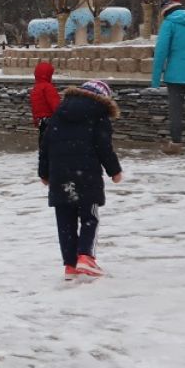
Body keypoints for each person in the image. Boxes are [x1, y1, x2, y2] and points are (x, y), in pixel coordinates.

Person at [38, 80, 123, 280]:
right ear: (103, 98)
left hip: (61, 177)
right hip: (87, 176)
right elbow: (104, 147)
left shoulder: (59, 113)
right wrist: (114, 171)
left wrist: (44, 173)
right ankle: (86, 257)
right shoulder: (99, 115)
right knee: (89, 216)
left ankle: (70, 265)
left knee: (65, 221)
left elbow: (46, 145)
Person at [150, 0, 185, 155]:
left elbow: (161, 51)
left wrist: (155, 80)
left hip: (176, 75)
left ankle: (176, 143)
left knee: (176, 110)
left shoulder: (169, 23)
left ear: (165, 13)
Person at [29, 61, 61, 146]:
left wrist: (36, 119)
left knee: (43, 139)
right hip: (50, 119)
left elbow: (35, 107)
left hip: (41, 120)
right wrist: (61, 115)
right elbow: (55, 104)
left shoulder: (36, 88)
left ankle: (43, 155)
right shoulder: (48, 87)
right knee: (52, 142)